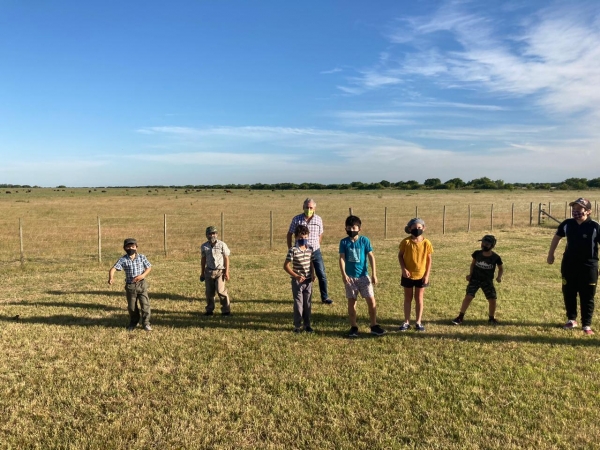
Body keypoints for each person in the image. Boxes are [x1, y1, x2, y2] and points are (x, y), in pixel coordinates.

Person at [547, 198, 600, 335]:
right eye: (574, 209)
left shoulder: (595, 226)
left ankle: (586, 325)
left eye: (579, 209)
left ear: (588, 211)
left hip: (589, 266)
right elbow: (557, 237)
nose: (576, 212)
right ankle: (572, 319)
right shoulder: (567, 224)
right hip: (569, 265)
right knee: (569, 292)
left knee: (587, 296)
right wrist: (551, 254)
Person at [339, 215, 386, 337]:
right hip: (350, 278)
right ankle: (354, 327)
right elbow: (342, 258)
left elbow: (371, 256)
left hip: (364, 276)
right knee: (352, 302)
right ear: (345, 228)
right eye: (349, 228)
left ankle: (374, 325)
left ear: (359, 229)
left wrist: (374, 274)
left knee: (371, 300)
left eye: (354, 227)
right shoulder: (344, 242)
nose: (351, 230)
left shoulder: (365, 241)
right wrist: (344, 275)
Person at [287, 198, 333, 304]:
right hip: (300, 251)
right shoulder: (296, 219)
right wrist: (290, 248)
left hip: (315, 251)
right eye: (307, 207)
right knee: (301, 274)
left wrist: (316, 245)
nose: (308, 209)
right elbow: (289, 234)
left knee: (321, 273)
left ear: (314, 208)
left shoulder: (318, 219)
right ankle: (301, 296)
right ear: (303, 207)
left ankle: (325, 297)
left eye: (311, 207)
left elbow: (320, 234)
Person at [452, 235, 504, 326]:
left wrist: (499, 277)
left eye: (486, 244)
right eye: (482, 243)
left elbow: (501, 268)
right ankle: (460, 317)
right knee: (468, 297)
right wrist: (470, 275)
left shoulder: (496, 257)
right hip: (475, 279)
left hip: (487, 281)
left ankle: (491, 318)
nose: (483, 245)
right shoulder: (477, 253)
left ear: (492, 245)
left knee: (492, 299)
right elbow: (473, 264)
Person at [108, 238, 153, 331]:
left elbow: (149, 267)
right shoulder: (123, 259)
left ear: (136, 247)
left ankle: (146, 323)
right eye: (128, 247)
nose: (130, 248)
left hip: (141, 284)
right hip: (130, 286)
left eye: (132, 246)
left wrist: (143, 275)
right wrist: (111, 278)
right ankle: (133, 322)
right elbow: (113, 269)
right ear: (124, 248)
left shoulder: (141, 257)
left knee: (145, 305)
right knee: (132, 307)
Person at [398, 218, 433, 332]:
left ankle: (418, 322)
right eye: (414, 228)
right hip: (408, 276)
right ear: (409, 229)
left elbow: (429, 260)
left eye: (419, 227)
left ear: (424, 228)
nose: (417, 230)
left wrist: (427, 275)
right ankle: (406, 321)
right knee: (408, 298)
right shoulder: (406, 242)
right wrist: (404, 269)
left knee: (419, 298)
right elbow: (400, 256)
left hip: (421, 275)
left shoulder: (426, 243)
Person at [283, 225, 316, 333]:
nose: (303, 240)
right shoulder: (293, 250)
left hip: (308, 281)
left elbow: (311, 262)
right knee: (298, 304)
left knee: (307, 304)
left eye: (305, 237)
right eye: (300, 238)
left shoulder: (310, 249)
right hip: (297, 282)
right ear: (296, 237)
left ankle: (307, 325)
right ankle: (297, 326)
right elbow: (286, 266)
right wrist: (296, 276)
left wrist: (313, 273)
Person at [200, 226, 231, 316]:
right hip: (209, 272)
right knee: (209, 292)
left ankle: (226, 310)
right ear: (207, 235)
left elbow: (226, 258)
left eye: (214, 233)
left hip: (220, 271)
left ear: (217, 234)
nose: (212, 235)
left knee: (221, 291)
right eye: (210, 234)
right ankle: (209, 310)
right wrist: (202, 273)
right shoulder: (204, 246)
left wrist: (227, 272)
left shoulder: (222, 245)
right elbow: (203, 259)